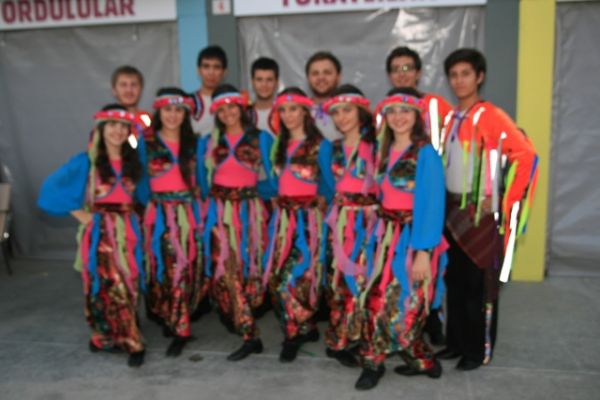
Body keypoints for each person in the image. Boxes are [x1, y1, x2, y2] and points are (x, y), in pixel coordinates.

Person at [436, 48, 538, 371]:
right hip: (451, 210)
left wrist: (501, 199)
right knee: (454, 281)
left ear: (479, 77)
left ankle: (477, 350)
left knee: (478, 286)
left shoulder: (492, 116)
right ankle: (454, 343)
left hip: (480, 214)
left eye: (466, 74)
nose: (459, 81)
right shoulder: (451, 117)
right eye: (454, 75)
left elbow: (526, 156)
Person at [38, 104, 146, 367]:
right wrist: (82, 216)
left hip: (129, 233)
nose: (118, 131)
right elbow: (50, 190)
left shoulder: (133, 162)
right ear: (101, 129)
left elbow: (144, 195)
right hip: (101, 234)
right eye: (112, 125)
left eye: (123, 126)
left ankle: (115, 335)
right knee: (106, 285)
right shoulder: (87, 161)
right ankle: (124, 341)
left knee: (128, 284)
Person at [355, 88, 448, 390]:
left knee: (406, 305)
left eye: (405, 110)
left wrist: (423, 252)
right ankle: (374, 362)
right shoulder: (383, 150)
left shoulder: (426, 154)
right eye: (392, 111)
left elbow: (433, 205)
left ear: (417, 115)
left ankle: (421, 359)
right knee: (375, 301)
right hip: (384, 239)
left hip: (413, 240)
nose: (398, 117)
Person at [198, 84, 274, 361]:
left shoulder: (261, 138)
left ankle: (246, 321)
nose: (228, 113)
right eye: (222, 109)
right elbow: (202, 181)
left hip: (249, 216)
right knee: (225, 272)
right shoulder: (208, 142)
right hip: (219, 217)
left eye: (232, 107)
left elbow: (274, 180)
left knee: (249, 271)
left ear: (241, 108)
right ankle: (249, 334)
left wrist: (251, 193)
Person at [262, 87, 335, 363]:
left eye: (293, 109)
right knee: (278, 279)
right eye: (283, 110)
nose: (288, 115)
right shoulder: (277, 145)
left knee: (300, 278)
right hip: (282, 222)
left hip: (308, 223)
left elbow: (330, 185)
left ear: (305, 111)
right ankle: (305, 326)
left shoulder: (321, 145)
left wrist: (321, 203)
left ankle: (293, 334)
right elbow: (274, 184)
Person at [137, 87, 207, 357]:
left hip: (188, 217)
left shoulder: (195, 144)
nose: (173, 115)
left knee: (183, 270)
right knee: (161, 270)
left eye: (179, 110)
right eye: (168, 109)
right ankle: (173, 320)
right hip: (158, 217)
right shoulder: (146, 143)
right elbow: (140, 183)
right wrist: (151, 207)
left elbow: (201, 180)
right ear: (159, 111)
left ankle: (180, 327)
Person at [321, 84, 378, 369]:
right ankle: (338, 340)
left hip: (370, 224)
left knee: (366, 280)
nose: (341, 117)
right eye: (336, 112)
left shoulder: (377, 146)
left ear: (361, 112)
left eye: (347, 110)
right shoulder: (329, 149)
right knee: (341, 281)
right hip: (340, 223)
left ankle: (363, 337)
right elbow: (328, 186)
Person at [386, 46, 453, 162]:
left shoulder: (437, 104)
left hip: (434, 168)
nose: (402, 74)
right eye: (395, 69)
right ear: (389, 76)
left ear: (418, 73)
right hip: (396, 171)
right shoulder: (384, 109)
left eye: (407, 68)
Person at [191, 45, 228, 136]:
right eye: (206, 66)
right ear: (198, 70)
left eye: (216, 67)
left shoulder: (233, 102)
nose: (211, 72)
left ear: (224, 72)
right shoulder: (189, 102)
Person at [305, 51, 342, 141]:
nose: (321, 78)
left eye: (327, 73)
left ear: (339, 77)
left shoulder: (351, 111)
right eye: (315, 73)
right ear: (308, 78)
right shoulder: (299, 111)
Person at [111, 65, 152, 131]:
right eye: (123, 85)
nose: (129, 90)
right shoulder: (106, 120)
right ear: (114, 90)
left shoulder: (149, 120)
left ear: (141, 89)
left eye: (134, 85)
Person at [250, 57, 279, 135]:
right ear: (252, 82)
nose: (264, 85)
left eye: (269, 80)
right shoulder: (244, 115)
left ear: (277, 83)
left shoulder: (285, 114)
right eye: (259, 80)